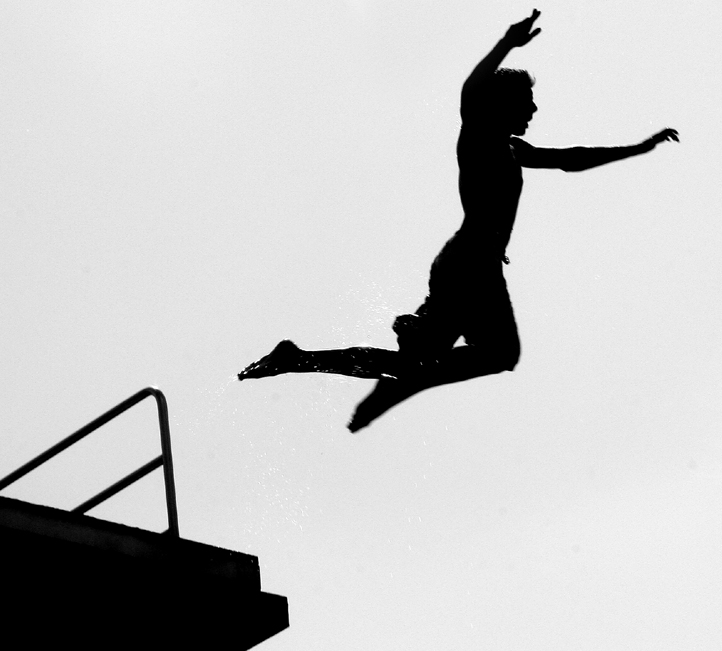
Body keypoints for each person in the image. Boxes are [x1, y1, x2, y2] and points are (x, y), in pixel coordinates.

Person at [238, 9, 679, 432]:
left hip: (462, 265)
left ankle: (298, 359)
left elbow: (572, 160)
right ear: (502, 105)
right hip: (471, 264)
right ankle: (406, 344)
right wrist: (507, 43)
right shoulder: (480, 139)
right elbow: (472, 90)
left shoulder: (513, 150)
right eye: (527, 101)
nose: (535, 110)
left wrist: (637, 148)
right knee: (502, 353)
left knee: (410, 369)